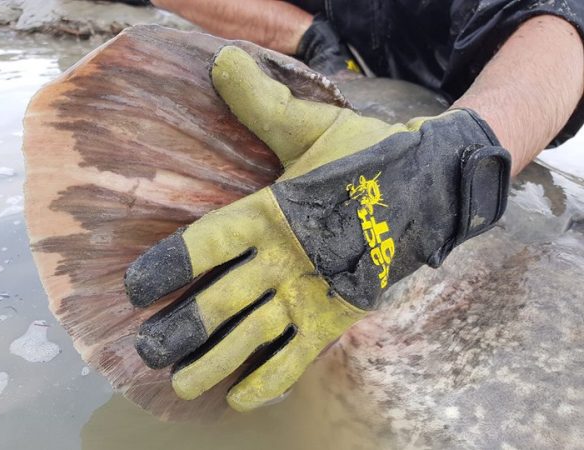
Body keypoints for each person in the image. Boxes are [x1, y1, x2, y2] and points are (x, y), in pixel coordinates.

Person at [124, 0, 584, 411]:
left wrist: (448, 162)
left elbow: (563, 22)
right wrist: (308, 36)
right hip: (325, 89)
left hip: (483, 107)